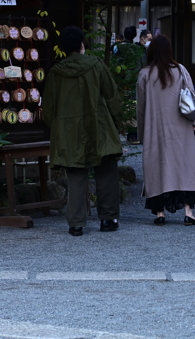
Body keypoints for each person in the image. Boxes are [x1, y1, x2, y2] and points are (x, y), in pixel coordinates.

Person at [42, 26, 125, 236]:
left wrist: (57, 127)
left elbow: (48, 109)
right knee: (106, 172)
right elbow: (112, 96)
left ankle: (76, 223)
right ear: (82, 45)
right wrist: (117, 121)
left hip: (69, 130)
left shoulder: (56, 73)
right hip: (100, 126)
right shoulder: (96, 65)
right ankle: (108, 219)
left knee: (76, 175)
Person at [137, 35, 195, 225]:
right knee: (184, 166)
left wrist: (141, 133)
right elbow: (191, 97)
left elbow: (140, 108)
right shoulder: (180, 70)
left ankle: (160, 213)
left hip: (154, 127)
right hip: (180, 126)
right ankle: (188, 212)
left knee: (157, 165)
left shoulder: (145, 74)